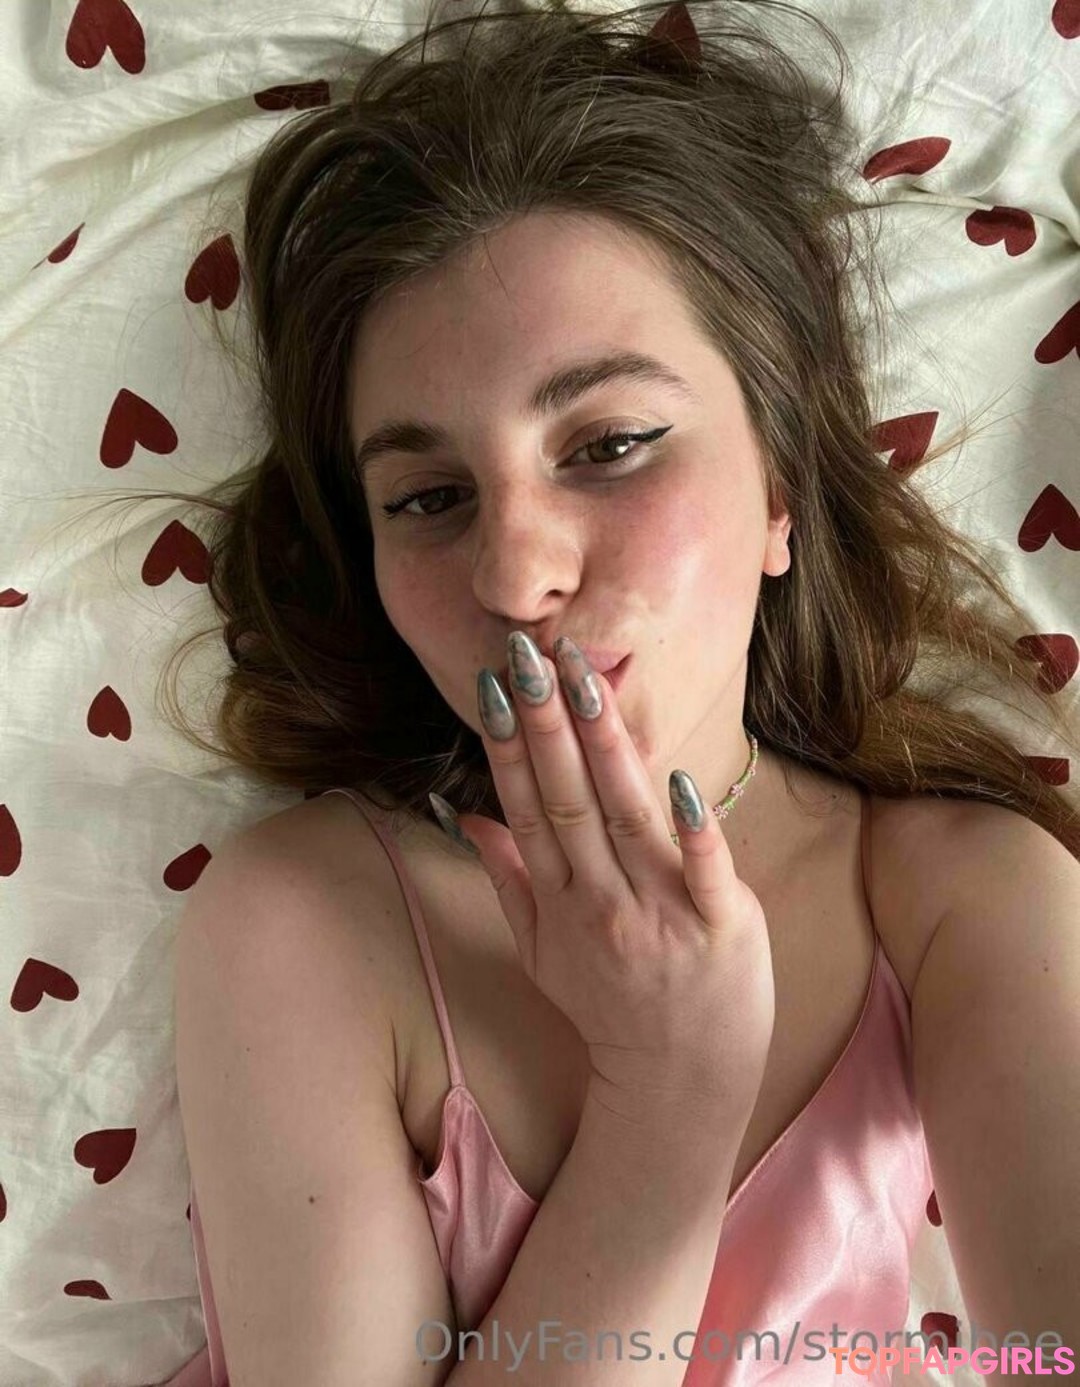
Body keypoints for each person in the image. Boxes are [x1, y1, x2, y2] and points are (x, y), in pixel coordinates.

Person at [148, 1, 1080, 1383]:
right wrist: (666, 1106)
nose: (517, 574)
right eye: (429, 497)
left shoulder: (968, 904)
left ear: (781, 488)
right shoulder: (303, 921)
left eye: (612, 444)